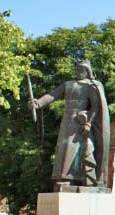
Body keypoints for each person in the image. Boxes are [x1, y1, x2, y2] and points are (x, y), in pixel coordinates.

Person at [29, 59, 110, 190]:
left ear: (87, 71)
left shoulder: (91, 86)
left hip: (79, 122)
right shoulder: (68, 84)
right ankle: (65, 177)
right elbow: (52, 95)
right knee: (64, 148)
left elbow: (96, 106)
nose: (78, 72)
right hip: (67, 120)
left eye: (81, 70)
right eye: (77, 69)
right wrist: (38, 103)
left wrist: (89, 123)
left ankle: (74, 179)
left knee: (76, 149)